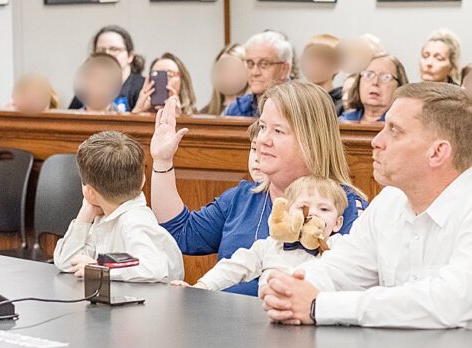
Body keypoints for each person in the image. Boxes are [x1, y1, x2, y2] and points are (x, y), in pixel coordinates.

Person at [260, 82, 472, 339]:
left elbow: (447, 303)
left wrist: (318, 306)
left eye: (394, 131)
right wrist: (288, 285)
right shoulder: (390, 202)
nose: (377, 142)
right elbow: (340, 269)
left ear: (437, 152)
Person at [154, 81, 366, 296]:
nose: (263, 139)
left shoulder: (344, 206)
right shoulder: (244, 197)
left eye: (278, 131)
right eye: (263, 127)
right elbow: (181, 234)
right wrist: (162, 162)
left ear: (312, 141)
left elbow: (355, 285)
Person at [53, 130, 184, 283]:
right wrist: (85, 216)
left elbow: (153, 269)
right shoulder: (103, 215)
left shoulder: (135, 220)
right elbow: (67, 263)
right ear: (143, 180)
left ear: (89, 191)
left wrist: (99, 267)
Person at [178, 176, 347, 291]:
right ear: (288, 213)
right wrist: (201, 287)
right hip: (268, 320)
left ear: (337, 223)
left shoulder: (339, 248)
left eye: (324, 209)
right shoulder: (270, 245)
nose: (313, 214)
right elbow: (235, 266)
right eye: (304, 207)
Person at [68, 25, 144, 111]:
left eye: (114, 49)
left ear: (130, 56)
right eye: (101, 50)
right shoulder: (88, 88)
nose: (107, 54)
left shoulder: (142, 87)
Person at [223, 30, 293, 118]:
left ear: (284, 69)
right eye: (250, 63)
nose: (254, 72)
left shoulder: (302, 106)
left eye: (264, 64)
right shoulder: (235, 109)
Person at [339, 53, 408, 122]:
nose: (375, 82)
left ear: (399, 86)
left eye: (385, 77)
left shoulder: (403, 124)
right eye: (369, 75)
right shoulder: (343, 121)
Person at [131, 52, 198, 116]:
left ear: (182, 81)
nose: (163, 81)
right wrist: (137, 111)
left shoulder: (196, 117)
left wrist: (179, 118)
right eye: (156, 76)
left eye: (169, 75)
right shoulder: (143, 112)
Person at [200, 43, 248, 116]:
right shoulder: (205, 112)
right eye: (221, 69)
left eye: (232, 69)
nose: (226, 74)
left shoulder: (255, 111)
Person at [300, 33, 343, 113]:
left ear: (337, 66)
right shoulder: (295, 100)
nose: (315, 64)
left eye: (323, 58)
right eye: (311, 57)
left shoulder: (343, 104)